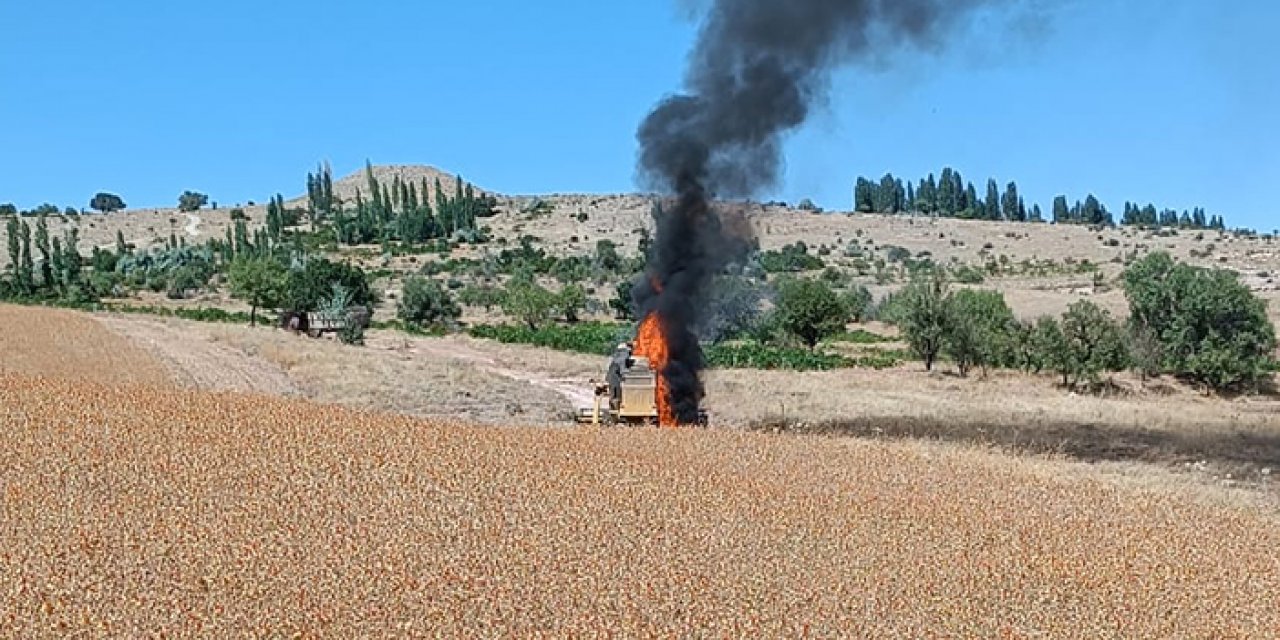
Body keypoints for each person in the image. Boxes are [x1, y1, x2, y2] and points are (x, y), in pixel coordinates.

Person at [606, 342, 633, 409]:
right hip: (615, 379)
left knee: (614, 396)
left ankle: (614, 411)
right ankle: (615, 412)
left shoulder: (617, 356)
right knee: (616, 397)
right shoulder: (623, 355)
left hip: (612, 378)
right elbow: (623, 370)